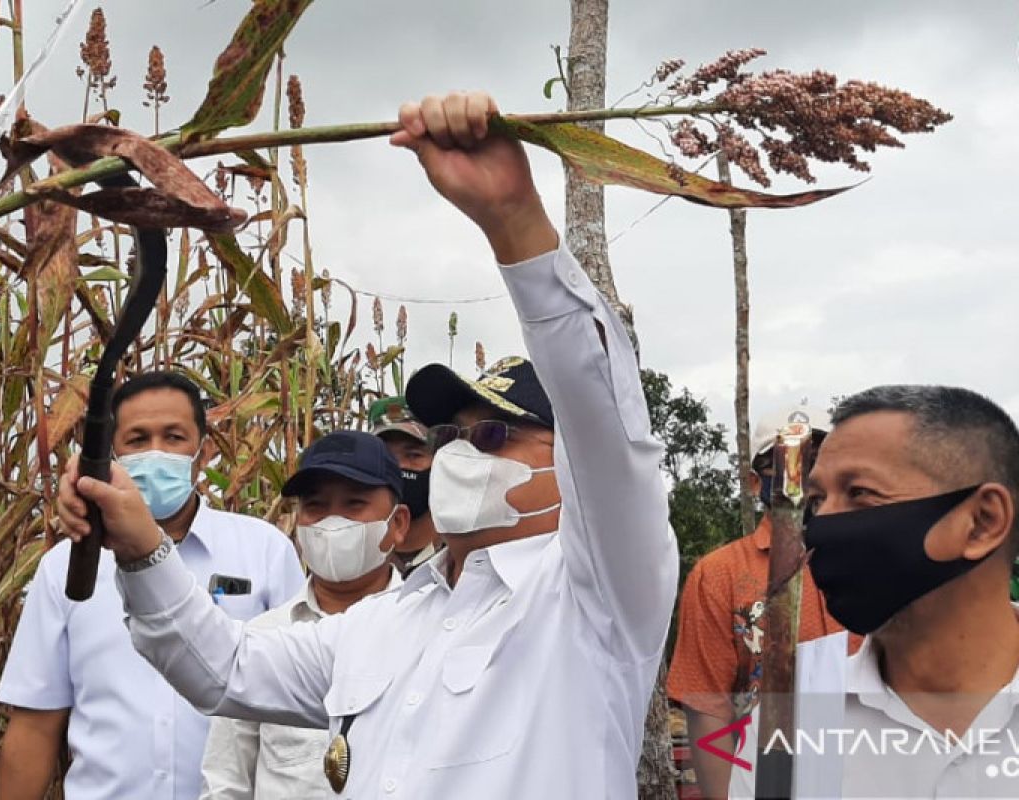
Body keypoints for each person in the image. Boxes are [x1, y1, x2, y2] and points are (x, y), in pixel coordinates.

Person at [57, 91, 677, 799]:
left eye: (497, 434)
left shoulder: (596, 597)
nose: (460, 453)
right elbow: (223, 668)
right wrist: (140, 547)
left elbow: (603, 412)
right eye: (453, 434)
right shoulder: (380, 623)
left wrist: (514, 221)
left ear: (570, 467)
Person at [0, 371, 304, 800]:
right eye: (137, 440)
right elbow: (34, 725)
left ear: (204, 449)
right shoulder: (65, 568)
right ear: (112, 454)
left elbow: (295, 706)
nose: (156, 453)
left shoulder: (266, 551)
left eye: (174, 437)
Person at [729, 384, 1019, 798]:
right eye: (816, 502)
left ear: (983, 521)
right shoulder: (790, 720)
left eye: (860, 494)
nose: (822, 526)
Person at [199, 430, 408, 799]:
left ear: (399, 524)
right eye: (316, 507)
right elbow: (225, 781)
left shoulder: (428, 631)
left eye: (354, 504)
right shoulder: (264, 640)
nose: (332, 522)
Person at [667, 402, 861, 798]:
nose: (805, 477)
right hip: (768, 779)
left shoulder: (875, 563)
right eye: (789, 463)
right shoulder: (719, 575)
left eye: (819, 461)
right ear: (756, 482)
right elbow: (709, 709)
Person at [367, 396, 439, 575]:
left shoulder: (460, 559)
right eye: (385, 457)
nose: (399, 467)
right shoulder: (352, 560)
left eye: (414, 455)